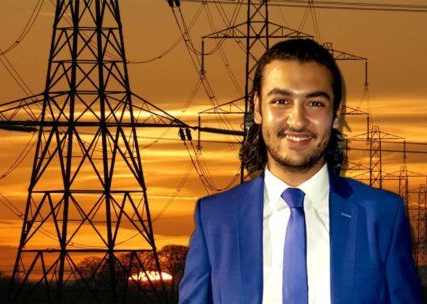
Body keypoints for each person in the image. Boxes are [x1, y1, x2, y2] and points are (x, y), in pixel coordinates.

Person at [178, 38, 421, 304]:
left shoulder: (383, 216)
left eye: (315, 103)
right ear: (258, 108)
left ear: (336, 114)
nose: (297, 120)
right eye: (281, 101)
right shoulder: (215, 219)